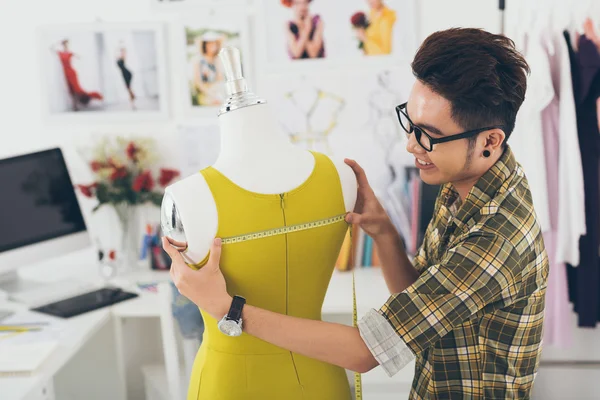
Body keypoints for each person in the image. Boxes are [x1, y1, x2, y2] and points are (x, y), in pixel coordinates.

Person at [164, 28, 548, 398]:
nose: (410, 144)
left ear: (489, 141)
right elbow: (418, 302)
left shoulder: (496, 237)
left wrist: (226, 309)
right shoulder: (466, 183)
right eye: (409, 122)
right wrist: (385, 234)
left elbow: (367, 352)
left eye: (428, 134)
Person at [52, 39, 103, 111]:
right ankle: (75, 106)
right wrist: (58, 42)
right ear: (62, 45)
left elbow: (79, 56)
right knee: (71, 91)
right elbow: (51, 48)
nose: (66, 46)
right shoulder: (60, 53)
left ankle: (87, 100)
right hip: (66, 74)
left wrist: (76, 55)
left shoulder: (70, 53)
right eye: (64, 45)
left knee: (77, 90)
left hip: (72, 73)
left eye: (67, 45)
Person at [192, 31, 224, 107]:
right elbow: (198, 82)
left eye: (214, 43)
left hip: (217, 92)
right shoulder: (198, 60)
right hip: (204, 94)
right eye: (209, 43)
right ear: (204, 45)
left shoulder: (217, 60)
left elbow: (220, 79)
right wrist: (211, 95)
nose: (212, 46)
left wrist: (217, 95)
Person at [116, 44, 136, 110]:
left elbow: (124, 53)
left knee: (128, 87)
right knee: (128, 88)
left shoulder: (122, 57)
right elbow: (116, 54)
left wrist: (122, 48)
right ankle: (132, 100)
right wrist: (119, 48)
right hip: (124, 74)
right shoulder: (119, 58)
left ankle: (132, 99)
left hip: (127, 73)